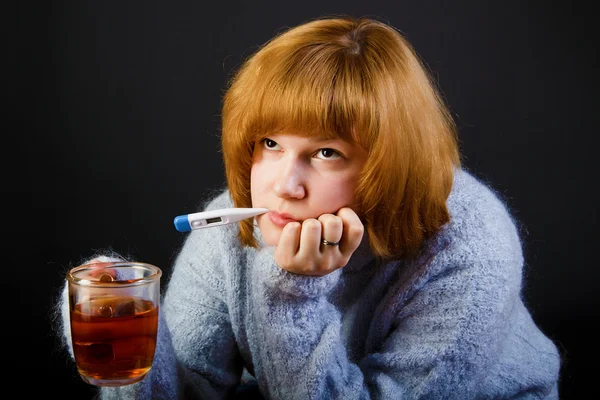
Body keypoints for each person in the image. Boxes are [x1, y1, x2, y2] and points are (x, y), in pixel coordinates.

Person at [56, 16, 561, 399]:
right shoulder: (231, 226)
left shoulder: (469, 246)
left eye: (326, 153)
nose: (284, 186)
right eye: (270, 144)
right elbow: (189, 388)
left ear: (388, 163)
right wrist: (127, 339)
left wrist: (293, 295)